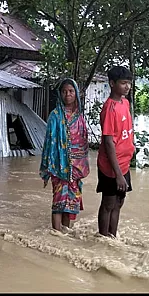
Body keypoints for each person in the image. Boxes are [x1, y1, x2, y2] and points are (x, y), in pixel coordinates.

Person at [40, 78, 90, 232]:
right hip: (59, 167)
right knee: (59, 203)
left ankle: (65, 236)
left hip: (76, 169)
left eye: (71, 91)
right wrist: (50, 166)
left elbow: (83, 142)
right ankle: (56, 234)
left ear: (76, 93)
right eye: (64, 91)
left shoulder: (79, 117)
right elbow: (49, 143)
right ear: (60, 94)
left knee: (70, 205)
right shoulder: (55, 116)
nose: (68, 94)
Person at [96, 66, 136, 238]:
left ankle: (113, 236)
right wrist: (118, 174)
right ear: (112, 84)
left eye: (129, 83)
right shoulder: (109, 109)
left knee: (119, 202)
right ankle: (103, 237)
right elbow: (108, 142)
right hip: (111, 167)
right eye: (123, 83)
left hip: (124, 164)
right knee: (108, 203)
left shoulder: (125, 103)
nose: (127, 87)